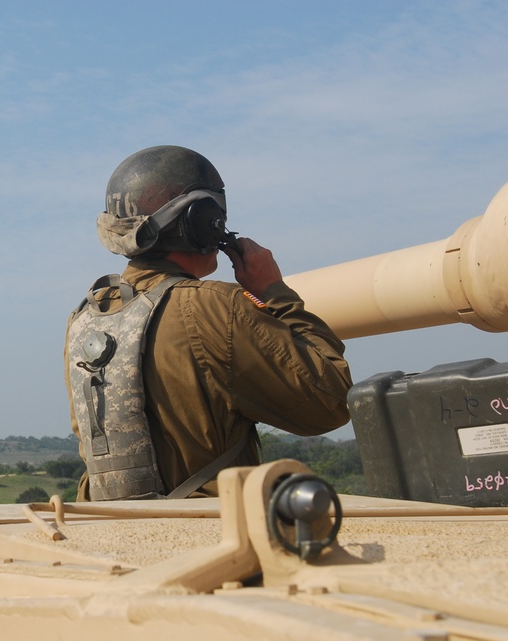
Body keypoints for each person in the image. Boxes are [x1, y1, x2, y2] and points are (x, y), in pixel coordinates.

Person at [65, 145, 352, 501]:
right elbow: (330, 402)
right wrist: (275, 292)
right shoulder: (216, 307)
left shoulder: (85, 319)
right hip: (204, 535)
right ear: (202, 220)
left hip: (109, 537)